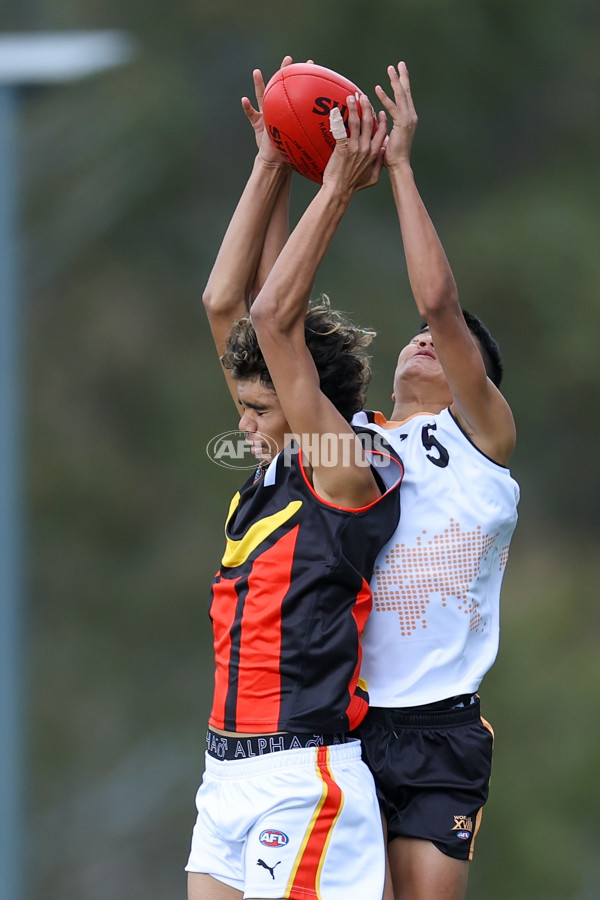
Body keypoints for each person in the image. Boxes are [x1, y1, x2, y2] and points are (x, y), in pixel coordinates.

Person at [185, 60, 403, 900]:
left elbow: (275, 318)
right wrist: (270, 162)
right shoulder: (278, 459)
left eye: (258, 408)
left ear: (310, 402)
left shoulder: (342, 468)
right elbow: (226, 301)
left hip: (301, 778)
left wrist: (337, 186)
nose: (242, 423)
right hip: (224, 769)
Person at [350, 63, 520, 900]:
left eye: (447, 342)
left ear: (474, 378)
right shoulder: (354, 442)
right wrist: (285, 171)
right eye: (413, 335)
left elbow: (441, 302)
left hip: (442, 728)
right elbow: (268, 324)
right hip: (345, 721)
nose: (425, 336)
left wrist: (401, 165)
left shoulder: (482, 440)